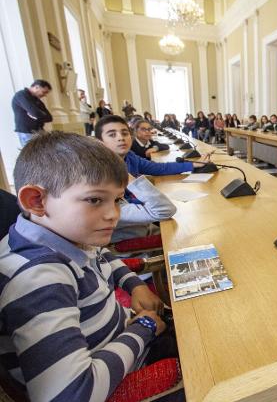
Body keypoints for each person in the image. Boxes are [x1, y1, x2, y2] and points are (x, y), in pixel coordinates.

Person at [1, 131, 174, 401]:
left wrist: (135, 284)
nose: (113, 214)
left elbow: (101, 254)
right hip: (120, 370)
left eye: (117, 200)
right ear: (36, 200)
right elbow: (69, 394)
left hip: (121, 334)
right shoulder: (39, 279)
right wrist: (145, 329)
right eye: (95, 200)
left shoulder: (62, 235)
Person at [95, 115, 209, 177]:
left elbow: (160, 168)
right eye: (112, 135)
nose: (120, 138)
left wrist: (193, 164)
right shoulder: (99, 170)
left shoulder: (130, 157)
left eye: (125, 133)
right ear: (100, 142)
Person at [11, 79, 53, 147]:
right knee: (31, 156)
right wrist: (39, 114)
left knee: (44, 153)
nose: (45, 95)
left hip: (39, 131)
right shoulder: (21, 95)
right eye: (44, 92)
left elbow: (49, 118)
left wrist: (37, 116)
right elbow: (35, 113)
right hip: (27, 132)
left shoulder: (37, 100)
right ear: (36, 87)